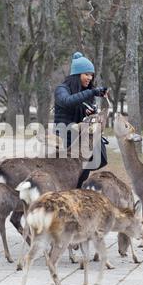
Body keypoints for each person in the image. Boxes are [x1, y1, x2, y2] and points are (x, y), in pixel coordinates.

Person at [54, 51, 109, 188]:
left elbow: (79, 111)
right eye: (86, 74)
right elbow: (67, 102)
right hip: (65, 143)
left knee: (81, 181)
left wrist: (88, 113)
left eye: (91, 75)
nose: (90, 78)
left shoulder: (85, 93)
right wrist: (92, 92)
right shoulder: (62, 89)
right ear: (76, 75)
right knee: (67, 182)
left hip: (82, 143)